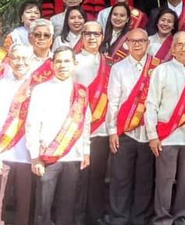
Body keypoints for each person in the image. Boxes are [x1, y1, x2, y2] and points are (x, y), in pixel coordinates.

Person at [145, 31, 185, 225]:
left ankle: (180, 217)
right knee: (165, 180)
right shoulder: (161, 70)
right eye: (179, 44)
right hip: (166, 136)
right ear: (172, 48)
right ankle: (162, 219)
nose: (183, 48)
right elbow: (151, 104)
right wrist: (152, 135)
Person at [27, 46, 92, 225]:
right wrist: (35, 157)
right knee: (43, 207)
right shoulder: (41, 89)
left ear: (74, 64)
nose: (62, 65)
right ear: (52, 64)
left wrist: (86, 151)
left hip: (73, 156)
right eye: (58, 61)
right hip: (48, 156)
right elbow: (32, 124)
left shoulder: (81, 91)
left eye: (66, 61)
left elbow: (86, 122)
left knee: (67, 207)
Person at [106, 28, 161, 225]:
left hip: (148, 133)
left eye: (141, 41)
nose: (137, 44)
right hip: (124, 132)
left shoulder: (157, 67)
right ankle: (119, 219)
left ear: (148, 43)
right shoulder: (118, 68)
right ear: (127, 43)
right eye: (133, 41)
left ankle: (141, 219)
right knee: (120, 178)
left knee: (145, 180)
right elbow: (113, 101)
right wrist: (112, 131)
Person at [0, 43, 35, 225]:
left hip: (28, 156)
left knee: (25, 207)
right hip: (2, 154)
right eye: (16, 58)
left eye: (24, 58)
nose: (20, 62)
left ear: (31, 60)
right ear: (9, 61)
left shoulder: (38, 86)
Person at [73, 21, 111, 225]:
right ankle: (77, 217)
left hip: (101, 128)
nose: (91, 37)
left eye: (96, 33)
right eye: (87, 33)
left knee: (97, 175)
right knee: (79, 176)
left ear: (102, 36)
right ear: (82, 36)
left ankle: (95, 216)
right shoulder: (73, 61)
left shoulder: (110, 62)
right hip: (77, 128)